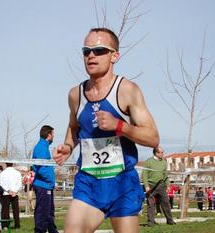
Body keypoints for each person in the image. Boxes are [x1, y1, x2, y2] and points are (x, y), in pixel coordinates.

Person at [53, 27, 159, 233]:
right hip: (89, 182)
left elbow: (153, 138)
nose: (91, 55)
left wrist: (120, 126)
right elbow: (74, 127)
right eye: (86, 51)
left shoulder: (127, 90)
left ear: (114, 56)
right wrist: (68, 146)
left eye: (99, 50)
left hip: (122, 183)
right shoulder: (75, 94)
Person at [33, 125, 58, 233]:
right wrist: (51, 180)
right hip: (43, 185)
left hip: (46, 185)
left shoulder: (44, 147)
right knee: (43, 214)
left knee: (49, 213)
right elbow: (41, 168)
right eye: (53, 134)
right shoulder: (41, 148)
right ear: (48, 135)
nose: (54, 136)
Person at [142, 146, 175, 226]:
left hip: (161, 186)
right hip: (150, 186)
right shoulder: (148, 162)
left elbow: (165, 175)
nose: (163, 154)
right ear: (156, 153)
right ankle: (151, 222)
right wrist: (146, 186)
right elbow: (144, 175)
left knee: (166, 203)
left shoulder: (164, 162)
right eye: (162, 152)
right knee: (151, 204)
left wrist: (168, 185)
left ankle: (170, 221)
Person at [0, 163, 22, 229]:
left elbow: (2, 184)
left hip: (6, 193)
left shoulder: (3, 173)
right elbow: (19, 184)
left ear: (6, 164)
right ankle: (17, 225)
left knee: (5, 210)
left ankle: (6, 226)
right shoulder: (17, 173)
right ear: (12, 164)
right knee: (16, 210)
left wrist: (9, 191)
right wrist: (15, 191)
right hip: (15, 193)